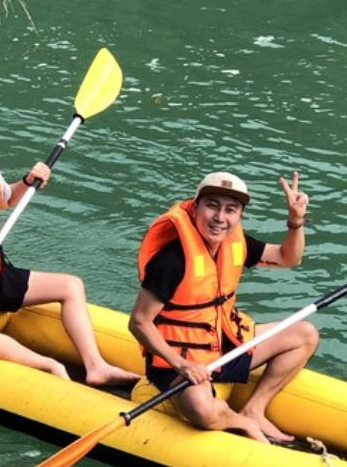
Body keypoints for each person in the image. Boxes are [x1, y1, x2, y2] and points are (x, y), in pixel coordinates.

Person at [0, 103, 138, 387]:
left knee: (71, 286)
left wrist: (28, 181)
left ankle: (96, 367)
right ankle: (49, 365)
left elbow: (6, 200)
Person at [128, 171, 317, 443]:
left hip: (225, 343)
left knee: (305, 334)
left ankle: (254, 409)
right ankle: (237, 419)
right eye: (212, 205)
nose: (220, 218)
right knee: (201, 409)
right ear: (195, 208)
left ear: (239, 215)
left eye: (231, 210)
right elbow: (138, 323)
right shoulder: (170, 260)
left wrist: (296, 221)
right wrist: (181, 365)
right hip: (180, 358)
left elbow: (289, 258)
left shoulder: (236, 243)